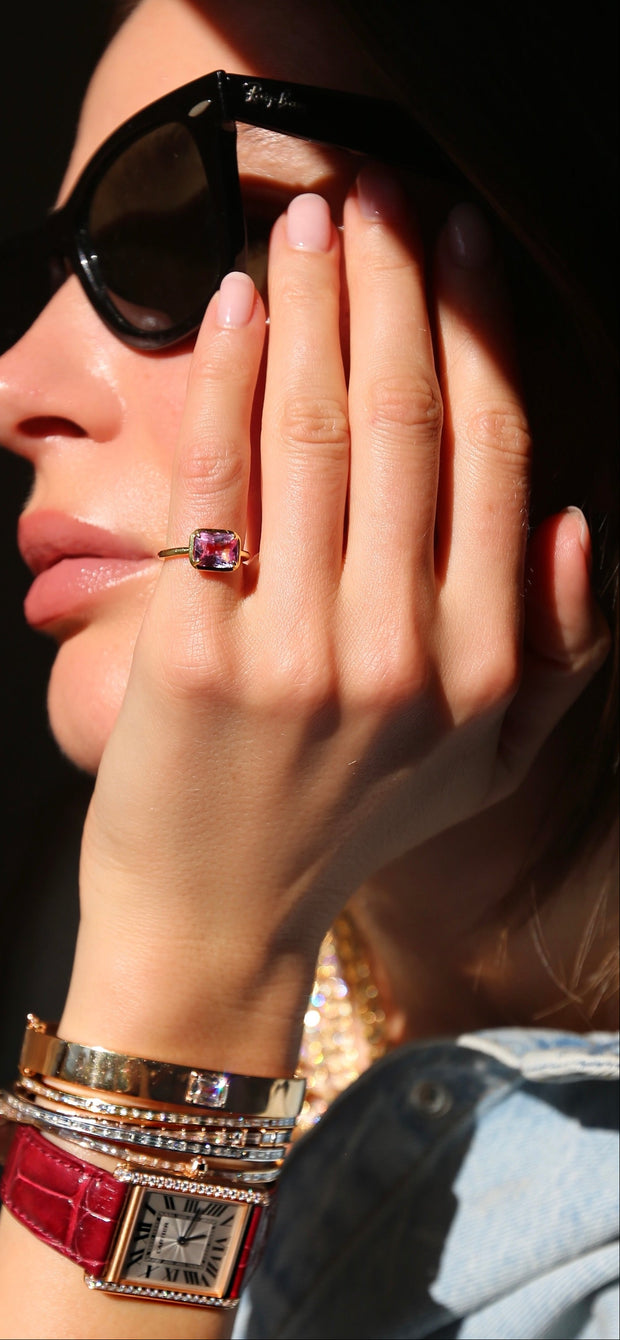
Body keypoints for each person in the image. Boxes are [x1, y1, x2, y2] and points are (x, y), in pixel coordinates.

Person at [0, 0, 617, 1336]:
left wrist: (187, 975)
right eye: (53, 271)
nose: (18, 386)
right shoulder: (68, 898)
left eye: (187, 236)